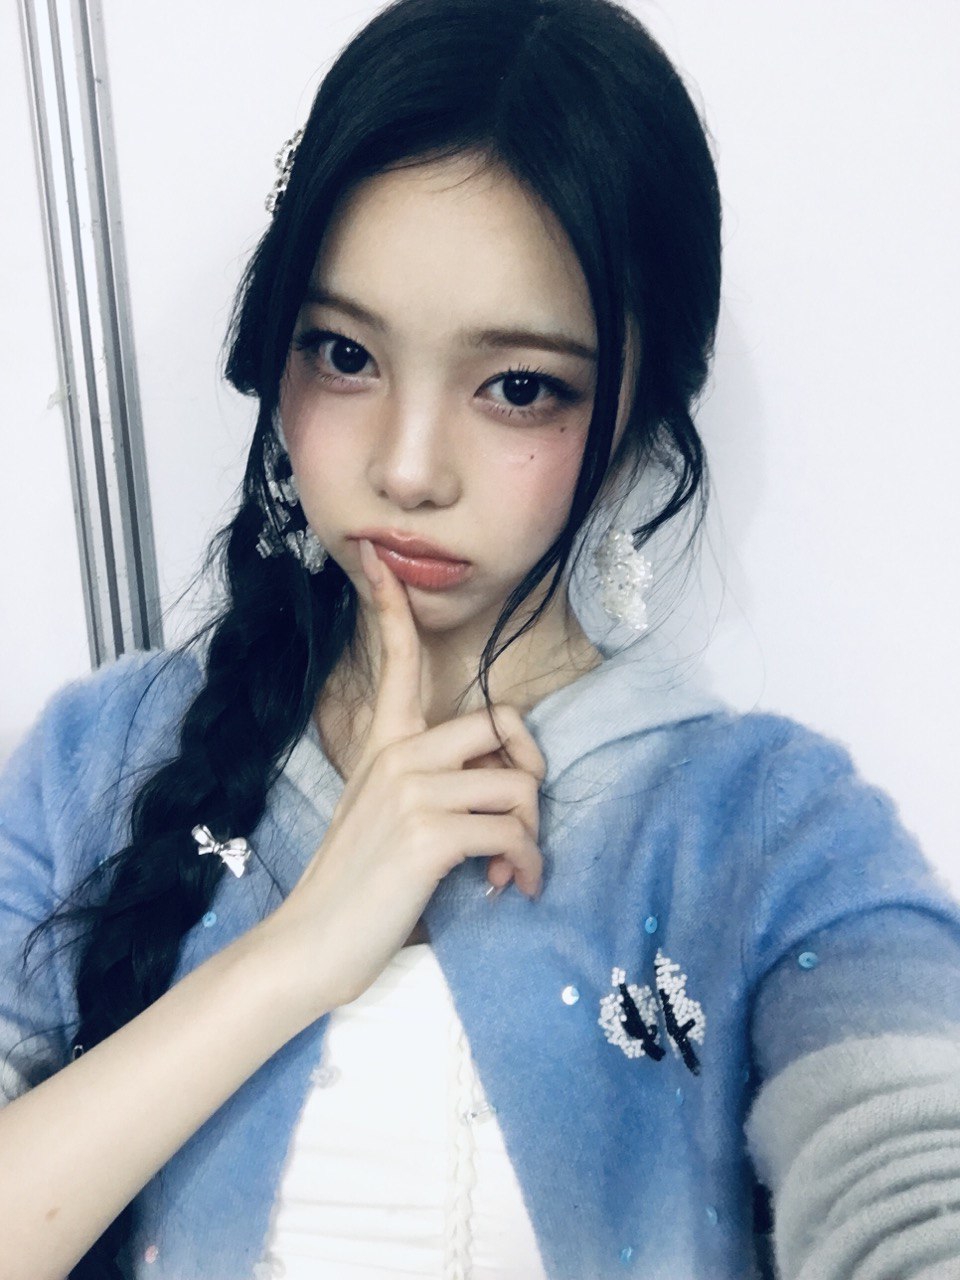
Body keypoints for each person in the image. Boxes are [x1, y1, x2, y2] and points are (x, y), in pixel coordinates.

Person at [2, 0, 960, 1277]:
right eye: (344, 353)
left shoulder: (768, 829)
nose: (408, 468)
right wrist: (295, 952)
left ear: (641, 409)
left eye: (518, 386)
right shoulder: (95, 762)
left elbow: (915, 1183)